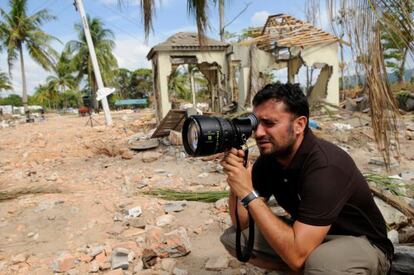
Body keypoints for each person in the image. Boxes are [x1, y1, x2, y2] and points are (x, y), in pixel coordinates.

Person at [220, 82, 393, 274]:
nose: (258, 132)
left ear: (299, 125)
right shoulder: (270, 159)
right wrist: (237, 182)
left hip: (363, 245)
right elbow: (242, 223)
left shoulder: (326, 166)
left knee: (320, 263)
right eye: (256, 123)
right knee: (237, 238)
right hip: (311, 237)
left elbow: (296, 257)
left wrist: (248, 193)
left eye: (269, 123)